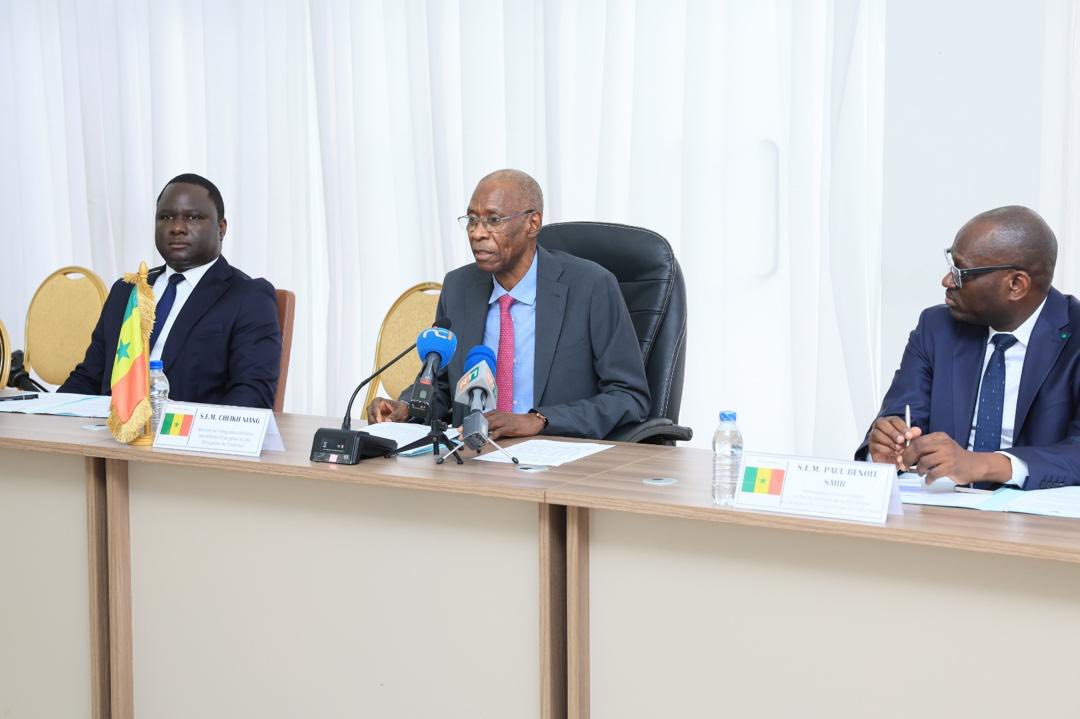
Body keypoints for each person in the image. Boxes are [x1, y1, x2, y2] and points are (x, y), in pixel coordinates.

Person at [367, 169, 650, 439]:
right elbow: (443, 387)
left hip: (558, 453)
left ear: (532, 224)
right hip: (473, 454)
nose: (477, 233)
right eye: (472, 220)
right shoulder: (459, 287)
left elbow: (628, 396)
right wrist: (407, 407)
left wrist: (538, 420)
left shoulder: (591, 287)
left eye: (493, 220)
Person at [856, 205, 1080, 489]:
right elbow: (902, 416)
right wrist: (886, 447)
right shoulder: (936, 328)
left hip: (1039, 512)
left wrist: (983, 464)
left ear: (1016, 284)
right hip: (944, 507)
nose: (947, 280)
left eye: (961, 272)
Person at [60, 173, 281, 409]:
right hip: (110, 426)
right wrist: (44, 412)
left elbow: (251, 396)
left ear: (221, 228)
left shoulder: (248, 297)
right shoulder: (126, 290)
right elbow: (88, 378)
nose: (176, 228)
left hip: (185, 430)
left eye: (193, 217)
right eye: (165, 217)